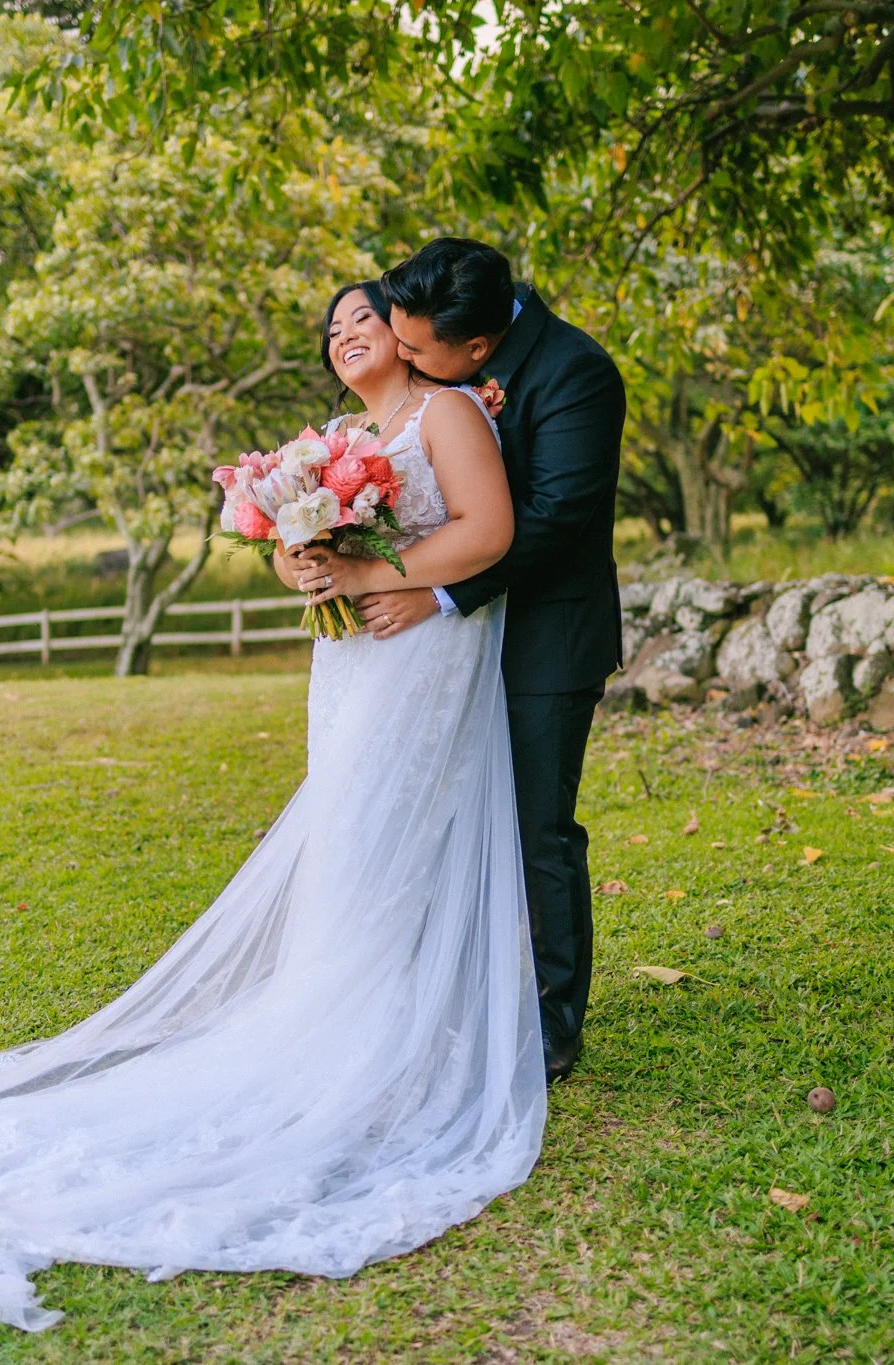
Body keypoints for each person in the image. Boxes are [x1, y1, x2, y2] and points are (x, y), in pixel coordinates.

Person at [0, 279, 545, 1333]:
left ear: (404, 334)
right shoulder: (333, 436)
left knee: (398, 832)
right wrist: (305, 561)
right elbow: (291, 556)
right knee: (349, 843)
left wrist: (376, 568)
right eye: (331, 328)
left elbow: (489, 533)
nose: (346, 335)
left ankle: (396, 1036)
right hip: (352, 662)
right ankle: (339, 1013)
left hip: (419, 650)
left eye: (363, 318)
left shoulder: (446, 411)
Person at [292, 238, 626, 1085]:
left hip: (541, 633)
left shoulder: (575, 373)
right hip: (424, 643)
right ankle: (431, 995)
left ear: (476, 351)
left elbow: (549, 518)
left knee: (535, 827)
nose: (399, 352)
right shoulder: (435, 356)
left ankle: (551, 1024)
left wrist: (435, 595)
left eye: (414, 347)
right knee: (418, 815)